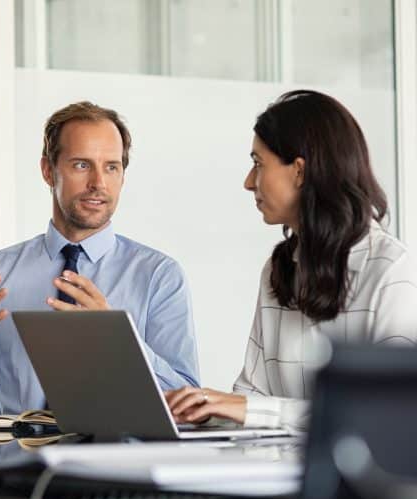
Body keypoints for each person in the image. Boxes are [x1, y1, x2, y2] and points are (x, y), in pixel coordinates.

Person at [0, 101, 200, 413]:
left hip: (120, 459)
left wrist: (118, 343)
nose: (99, 183)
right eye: (81, 165)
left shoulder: (159, 276)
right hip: (18, 459)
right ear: (47, 171)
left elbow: (188, 407)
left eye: (111, 167)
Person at [165, 90, 417, 431]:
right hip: (271, 474)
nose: (248, 182)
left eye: (258, 164)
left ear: (299, 171)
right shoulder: (279, 269)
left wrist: (252, 410)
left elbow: (391, 412)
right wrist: (208, 412)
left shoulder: (391, 270)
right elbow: (250, 396)